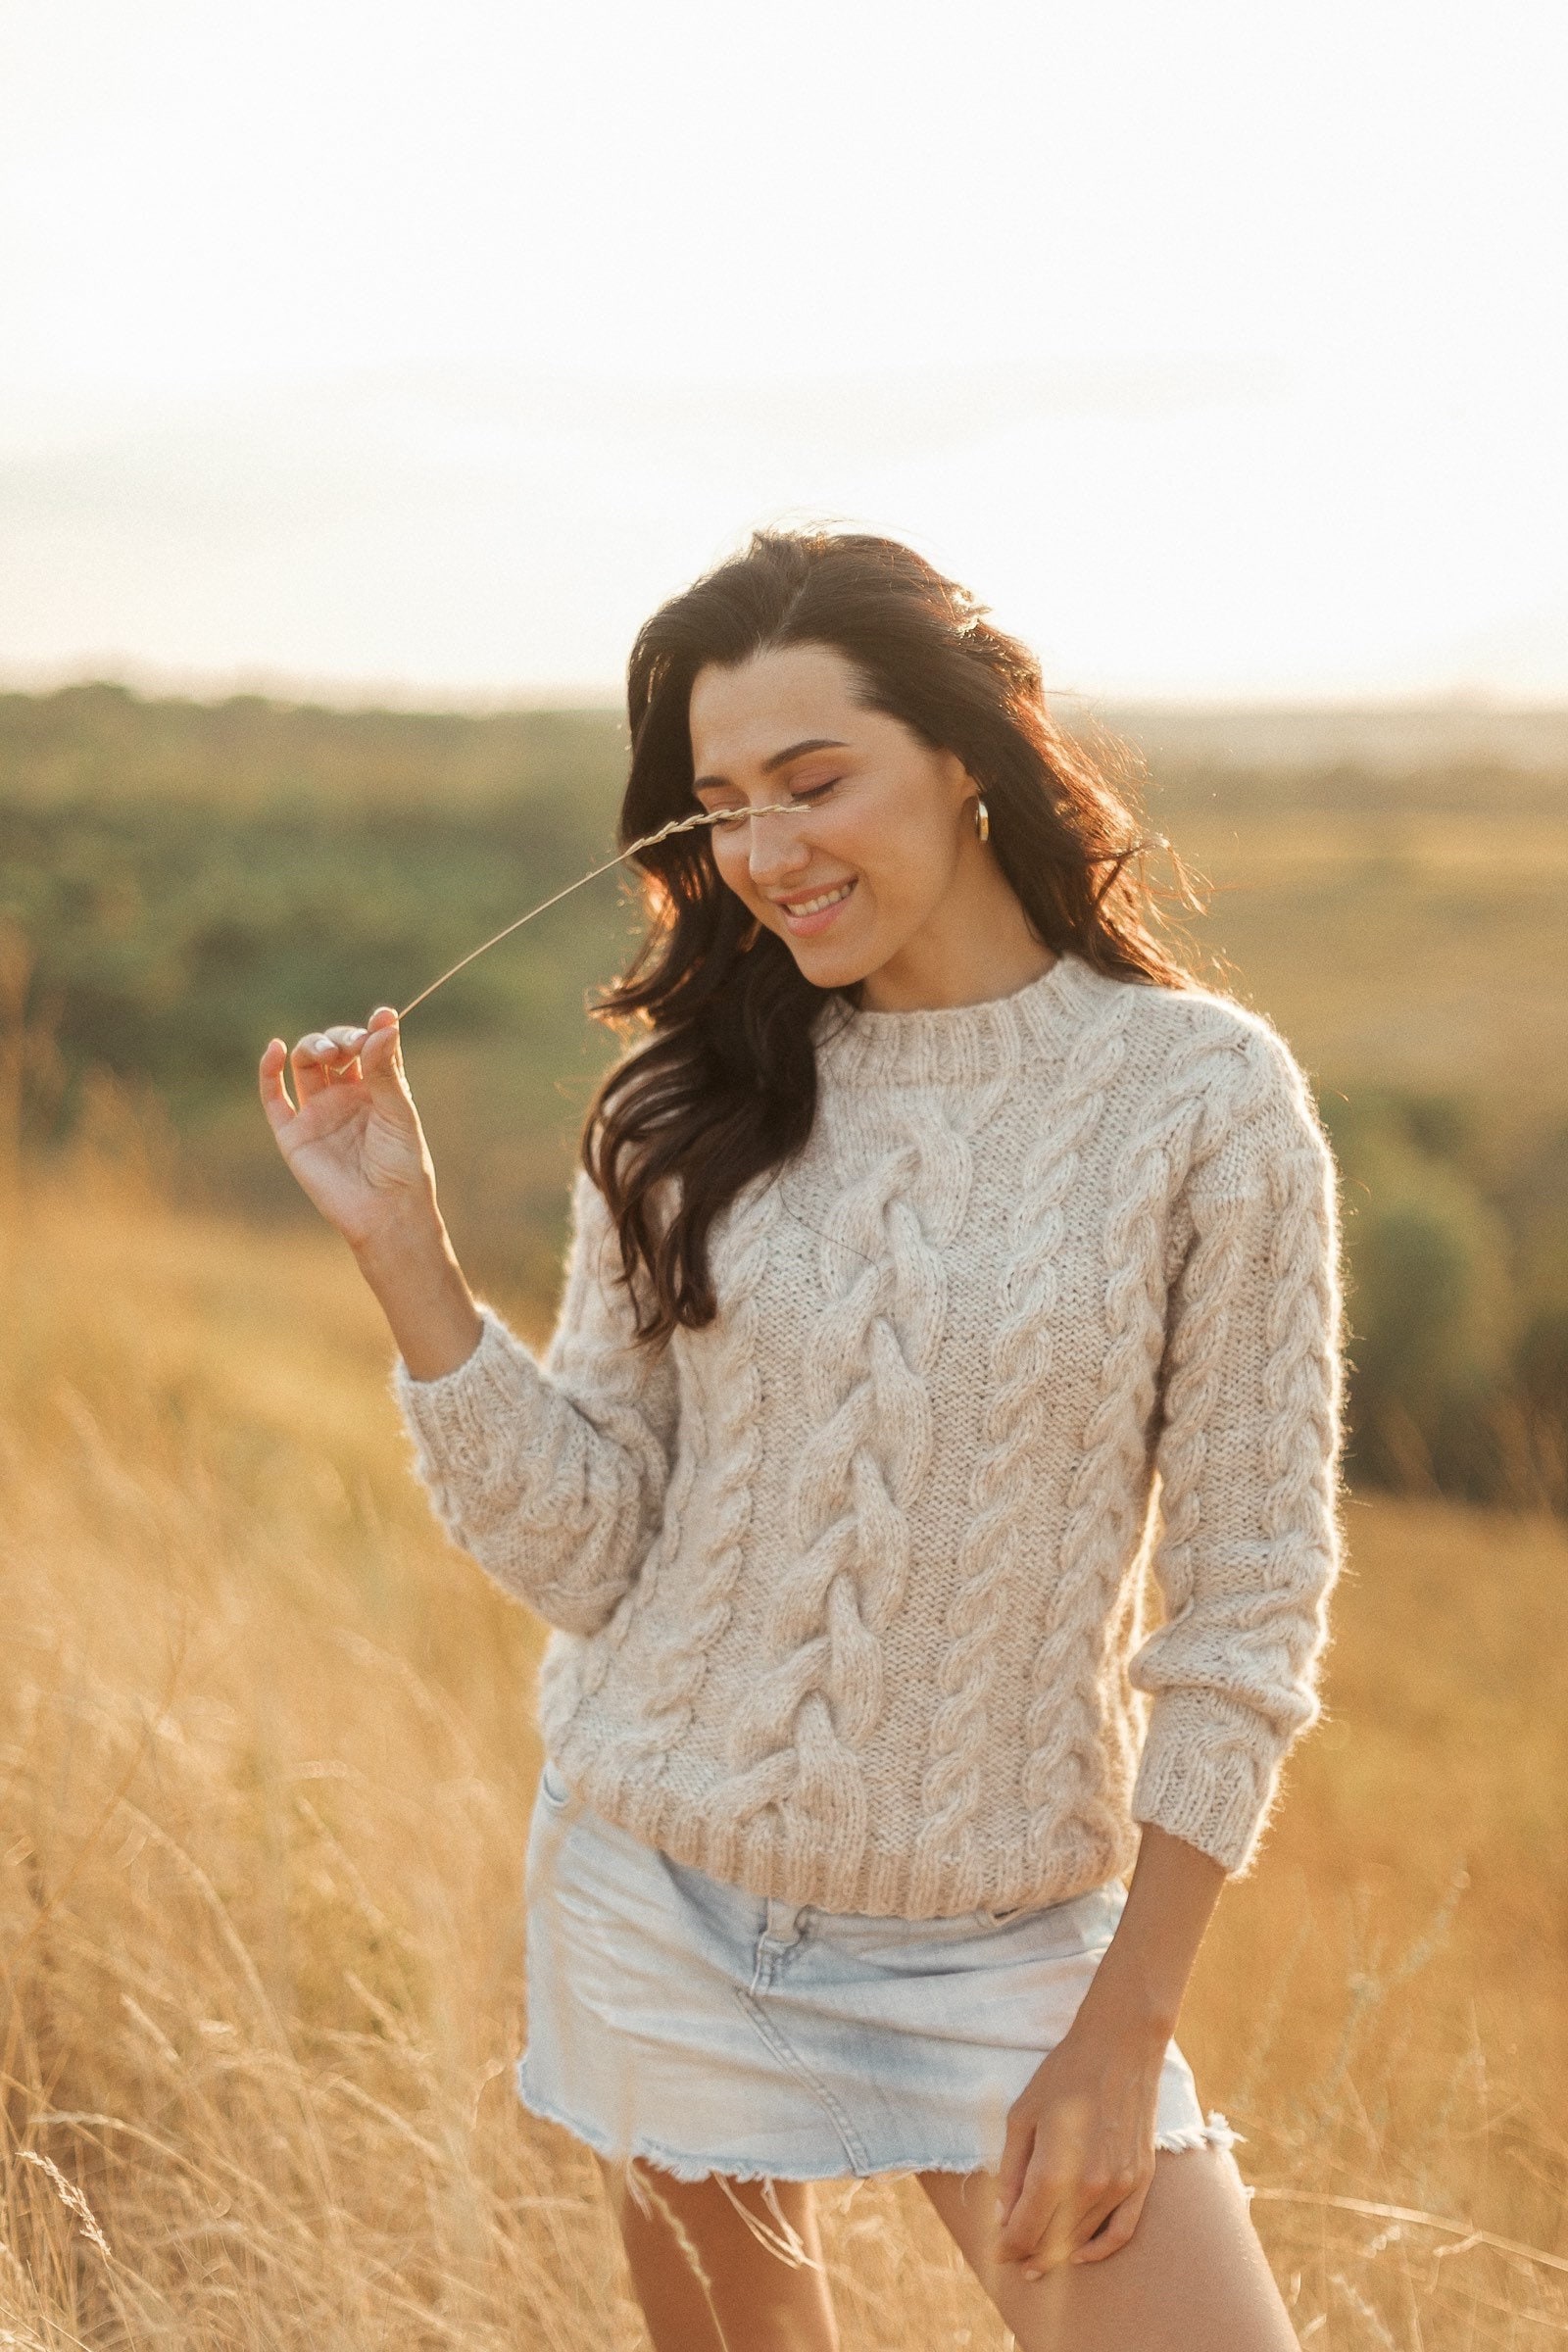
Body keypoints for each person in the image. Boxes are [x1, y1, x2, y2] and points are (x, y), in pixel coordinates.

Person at [259, 526, 1346, 2352]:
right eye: (718, 808)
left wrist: (1122, 2026)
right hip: (656, 1888)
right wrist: (408, 1256)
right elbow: (600, 1550)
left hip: (1004, 1941)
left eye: (814, 781)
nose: (764, 855)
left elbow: (1249, 1604)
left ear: (969, 752)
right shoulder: (689, 1102)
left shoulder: (1204, 1103)